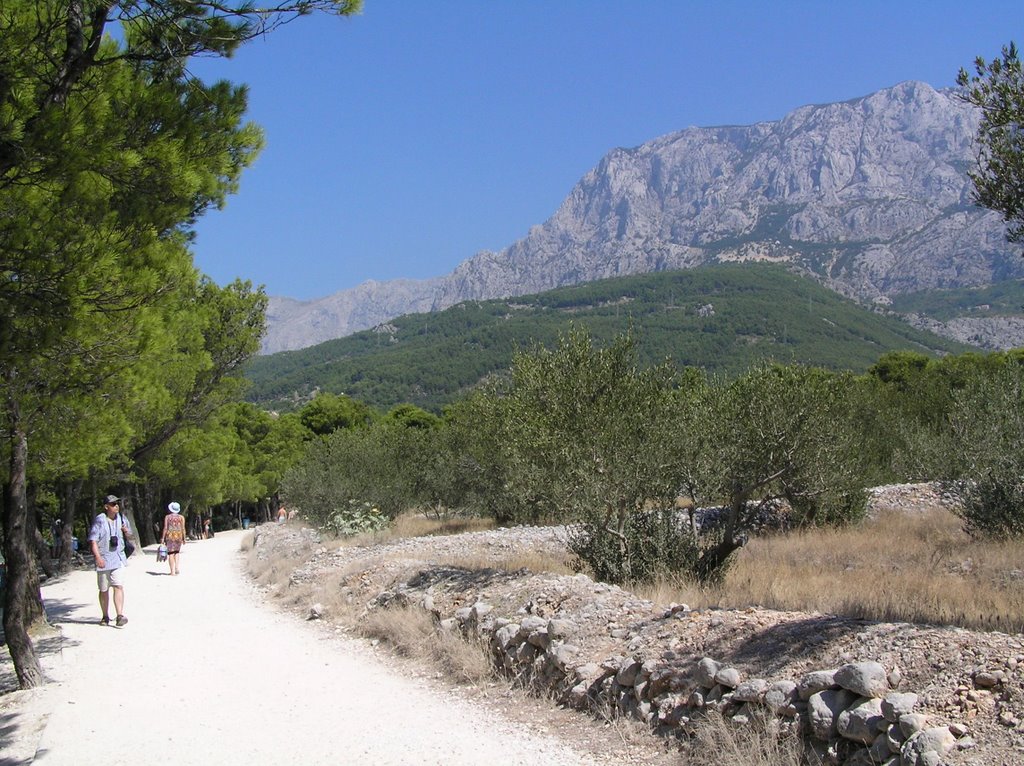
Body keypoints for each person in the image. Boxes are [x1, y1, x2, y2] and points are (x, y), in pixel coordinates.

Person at [88, 495, 132, 627]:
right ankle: (105, 616)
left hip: (118, 559)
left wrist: (126, 532)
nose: (116, 506)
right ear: (106, 507)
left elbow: (130, 535)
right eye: (113, 504)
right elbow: (93, 540)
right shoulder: (100, 520)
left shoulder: (122, 519)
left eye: (117, 503)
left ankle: (119, 615)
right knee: (103, 589)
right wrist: (98, 557)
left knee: (118, 586)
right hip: (104, 559)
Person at [161, 501, 186, 576]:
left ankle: (172, 572)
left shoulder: (167, 517)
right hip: (179, 535)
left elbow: (165, 528)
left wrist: (163, 538)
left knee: (171, 553)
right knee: (177, 552)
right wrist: (184, 538)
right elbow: (183, 528)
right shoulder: (181, 517)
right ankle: (176, 567)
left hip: (170, 535)